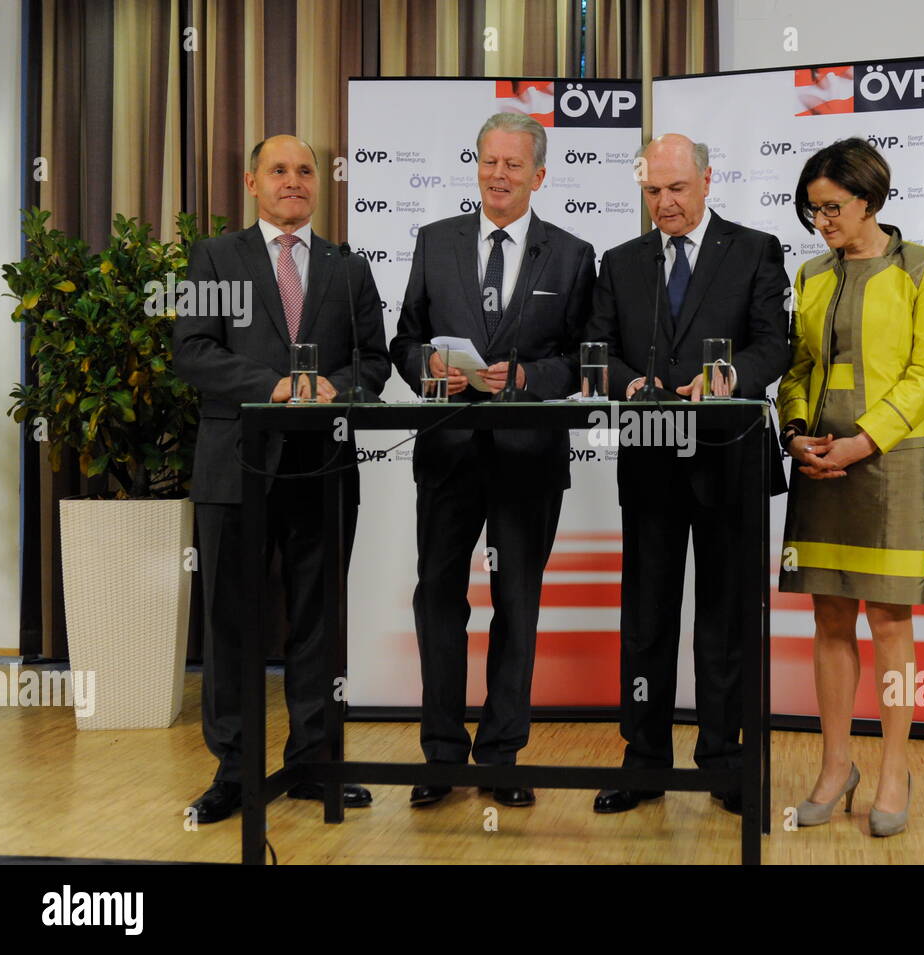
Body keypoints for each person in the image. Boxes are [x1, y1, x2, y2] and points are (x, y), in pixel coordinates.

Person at [173, 134, 391, 823]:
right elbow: (194, 350)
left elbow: (375, 363)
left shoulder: (347, 266)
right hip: (235, 464)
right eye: (279, 170)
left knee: (319, 624)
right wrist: (276, 386)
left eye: (304, 171)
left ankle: (314, 764)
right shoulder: (215, 258)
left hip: (322, 465)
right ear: (251, 181)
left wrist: (333, 386)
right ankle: (234, 773)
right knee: (233, 623)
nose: (293, 181)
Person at [389, 112, 595, 809]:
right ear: (475, 165)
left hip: (527, 458)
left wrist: (529, 379)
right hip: (447, 453)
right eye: (488, 161)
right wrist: (428, 368)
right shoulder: (434, 241)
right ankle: (441, 754)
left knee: (517, 602)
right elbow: (405, 338)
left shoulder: (572, 254)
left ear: (539, 175)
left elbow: (581, 357)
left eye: (513, 164)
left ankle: (502, 753)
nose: (498, 174)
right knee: (439, 601)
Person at [584, 133, 789, 815]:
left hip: (729, 455)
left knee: (725, 618)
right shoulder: (618, 261)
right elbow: (597, 349)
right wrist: (628, 380)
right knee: (646, 618)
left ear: (706, 180)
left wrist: (729, 376)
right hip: (649, 456)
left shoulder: (756, 249)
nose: (664, 203)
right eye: (652, 191)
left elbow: (773, 344)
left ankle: (724, 763)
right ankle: (643, 763)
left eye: (676, 188)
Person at [778, 137, 924, 834]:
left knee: (890, 621)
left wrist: (865, 439)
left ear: (870, 200)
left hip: (893, 464)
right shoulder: (811, 275)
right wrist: (797, 432)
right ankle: (834, 766)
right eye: (812, 210)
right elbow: (797, 369)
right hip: (820, 462)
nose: (821, 222)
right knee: (828, 618)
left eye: (832, 208)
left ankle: (891, 769)